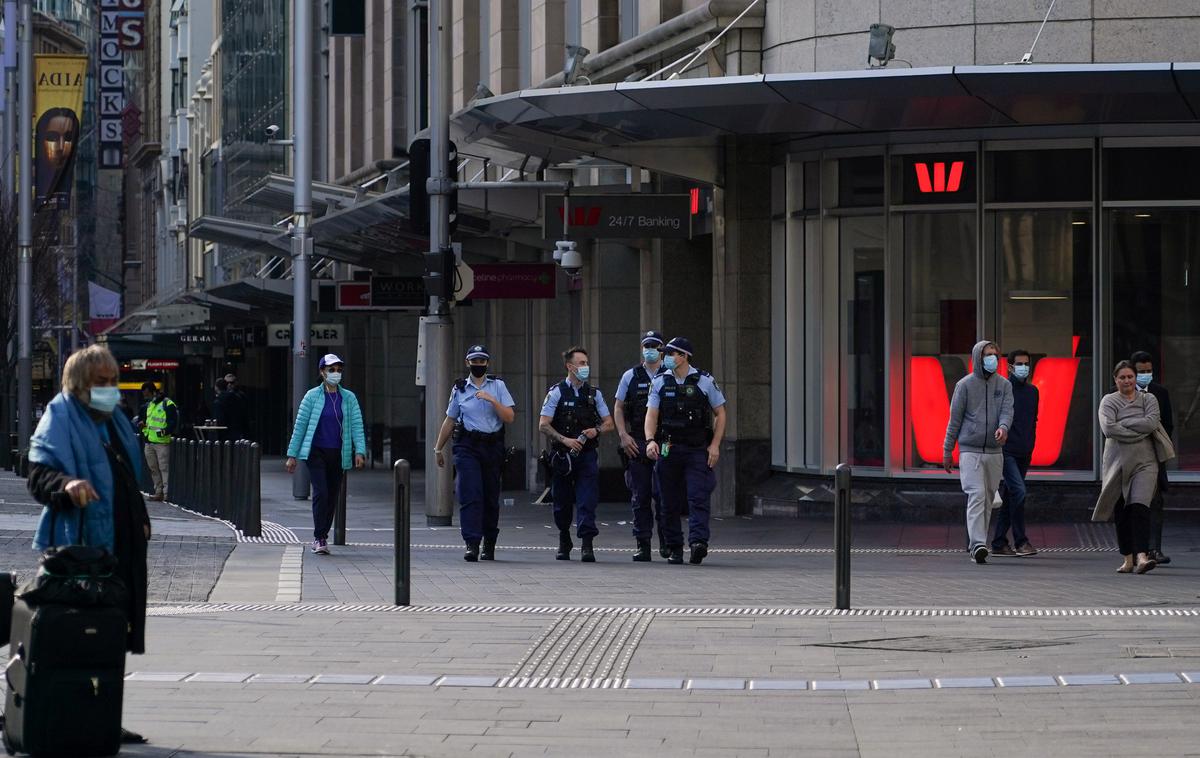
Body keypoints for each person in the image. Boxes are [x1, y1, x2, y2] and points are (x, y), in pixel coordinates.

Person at [26, 345, 151, 745]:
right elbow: (38, 473)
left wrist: (142, 520)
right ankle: (67, 711)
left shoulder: (113, 420)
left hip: (119, 546)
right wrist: (67, 485)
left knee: (111, 632)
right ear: (80, 384)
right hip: (79, 550)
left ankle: (103, 713)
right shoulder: (60, 415)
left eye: (113, 381)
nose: (111, 389)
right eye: (102, 382)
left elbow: (127, 477)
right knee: (77, 634)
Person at [644, 337, 727, 566]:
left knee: (697, 497)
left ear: (684, 356)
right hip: (668, 448)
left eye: (671, 353)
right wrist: (650, 440)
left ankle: (698, 543)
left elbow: (720, 413)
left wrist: (715, 445)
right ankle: (674, 547)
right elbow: (651, 415)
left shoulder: (705, 381)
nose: (667, 357)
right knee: (667, 501)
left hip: (696, 449)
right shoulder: (660, 382)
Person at [431, 344, 516, 562]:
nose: (478, 365)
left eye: (482, 361)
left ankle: (489, 542)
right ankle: (471, 543)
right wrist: (438, 448)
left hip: (492, 446)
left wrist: (492, 400)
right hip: (468, 445)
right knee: (469, 493)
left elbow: (509, 417)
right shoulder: (459, 389)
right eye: (474, 361)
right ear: (467, 363)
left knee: (490, 497)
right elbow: (450, 419)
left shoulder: (498, 385)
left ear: (487, 363)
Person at [285, 354, 367, 555]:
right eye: (332, 370)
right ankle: (319, 537)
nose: (336, 373)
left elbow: (357, 425)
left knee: (331, 496)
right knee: (321, 492)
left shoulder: (349, 397)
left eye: (339, 369)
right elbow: (300, 426)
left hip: (339, 453)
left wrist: (360, 451)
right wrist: (292, 455)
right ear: (322, 372)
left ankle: (322, 534)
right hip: (316, 452)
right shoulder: (311, 396)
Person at [539, 346, 614, 562]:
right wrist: (565, 439)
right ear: (569, 367)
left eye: (586, 363)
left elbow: (609, 423)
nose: (585, 367)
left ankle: (587, 544)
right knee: (561, 501)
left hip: (587, 455)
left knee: (587, 500)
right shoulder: (556, 392)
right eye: (581, 363)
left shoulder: (594, 394)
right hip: (563, 456)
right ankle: (564, 539)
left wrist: (596, 430)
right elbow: (543, 425)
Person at [942, 340, 1014, 565]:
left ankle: (978, 545)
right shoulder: (964, 385)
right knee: (977, 495)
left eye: (994, 354)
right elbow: (955, 419)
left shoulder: (1004, 385)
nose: (991, 359)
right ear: (977, 358)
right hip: (969, 451)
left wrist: (1003, 428)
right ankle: (978, 544)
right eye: (987, 355)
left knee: (989, 497)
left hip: (994, 452)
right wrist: (947, 450)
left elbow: (1006, 412)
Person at [1094, 360, 1164, 574]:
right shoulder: (1108, 401)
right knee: (1122, 509)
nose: (1127, 381)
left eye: (1130, 376)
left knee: (1140, 506)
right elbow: (1108, 427)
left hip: (1146, 461)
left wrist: (1124, 423)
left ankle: (1142, 556)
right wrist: (1136, 427)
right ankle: (1128, 558)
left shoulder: (1149, 398)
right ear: (1115, 380)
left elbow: (1152, 423)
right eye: (1122, 377)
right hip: (1117, 462)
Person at [613, 330, 668, 561]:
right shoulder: (631, 376)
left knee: (664, 495)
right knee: (640, 496)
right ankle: (643, 543)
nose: (650, 350)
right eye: (647, 346)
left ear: (662, 350)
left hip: (665, 442)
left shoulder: (671, 373)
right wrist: (623, 435)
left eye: (654, 346)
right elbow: (618, 407)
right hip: (637, 441)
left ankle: (667, 542)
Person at [991, 349, 1039, 558]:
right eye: (1019, 364)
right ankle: (1021, 541)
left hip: (1025, 450)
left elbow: (1032, 421)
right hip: (1006, 450)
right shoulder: (1002, 389)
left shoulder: (1033, 391)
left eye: (1027, 363)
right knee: (1018, 492)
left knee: (1011, 495)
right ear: (1010, 366)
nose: (1024, 368)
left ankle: (999, 542)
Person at [1131, 350, 1174, 565]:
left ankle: (1154, 548)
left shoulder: (1160, 392)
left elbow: (1168, 424)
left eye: (1149, 371)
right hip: (1130, 456)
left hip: (1154, 455)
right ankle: (1134, 550)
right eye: (1141, 371)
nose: (1145, 375)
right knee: (1133, 503)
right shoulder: (1119, 392)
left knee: (1156, 502)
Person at [138, 380, 178, 502]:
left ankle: (166, 493)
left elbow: (172, 422)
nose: (146, 397)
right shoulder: (150, 405)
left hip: (161, 441)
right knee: (153, 468)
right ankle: (158, 492)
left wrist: (164, 432)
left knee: (163, 467)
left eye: (147, 394)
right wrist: (143, 426)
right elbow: (150, 423)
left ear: (153, 392)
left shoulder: (168, 404)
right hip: (149, 441)